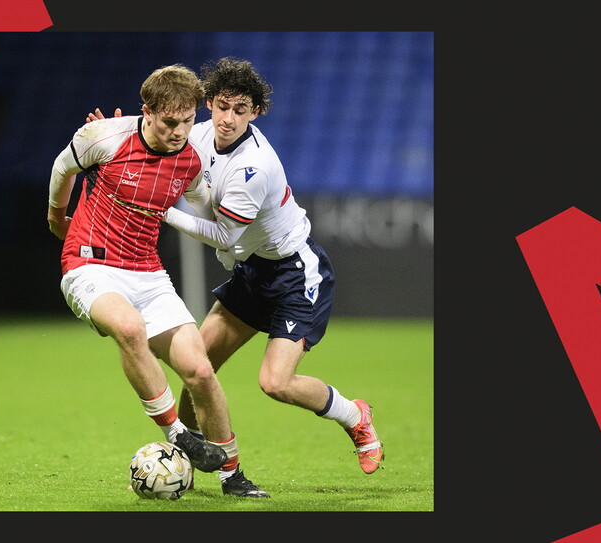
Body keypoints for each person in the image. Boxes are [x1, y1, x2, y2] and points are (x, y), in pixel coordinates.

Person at [89, 57, 384, 475]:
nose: (228, 119)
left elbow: (225, 236)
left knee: (275, 382)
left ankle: (355, 416)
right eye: (223, 106)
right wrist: (110, 138)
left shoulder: (255, 166)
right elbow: (152, 132)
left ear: (255, 112)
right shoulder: (197, 134)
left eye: (240, 110)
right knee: (198, 368)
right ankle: (184, 466)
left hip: (295, 272)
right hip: (252, 271)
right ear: (209, 102)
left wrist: (162, 211)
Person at [48, 64, 268, 498]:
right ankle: (178, 434)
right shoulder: (104, 137)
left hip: (148, 272)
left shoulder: (191, 159)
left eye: (187, 121)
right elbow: (62, 167)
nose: (180, 131)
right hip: (90, 264)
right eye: (169, 121)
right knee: (129, 328)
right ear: (146, 111)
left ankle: (233, 476)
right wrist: (57, 217)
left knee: (200, 370)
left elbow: (206, 205)